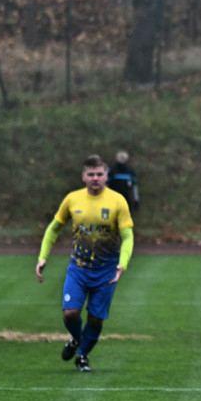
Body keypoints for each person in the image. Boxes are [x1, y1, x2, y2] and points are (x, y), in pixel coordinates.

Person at [35, 154, 134, 372]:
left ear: (107, 176)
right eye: (91, 174)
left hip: (107, 270)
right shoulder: (72, 199)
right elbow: (53, 228)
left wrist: (122, 264)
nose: (95, 178)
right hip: (78, 268)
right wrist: (43, 257)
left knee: (96, 320)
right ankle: (77, 338)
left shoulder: (118, 201)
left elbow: (127, 237)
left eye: (99, 174)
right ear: (83, 177)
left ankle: (83, 356)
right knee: (70, 313)